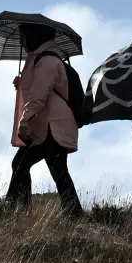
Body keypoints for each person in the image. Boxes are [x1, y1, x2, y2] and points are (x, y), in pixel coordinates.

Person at [6, 24, 84, 219]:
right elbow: (40, 92)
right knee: (56, 170)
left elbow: (39, 97)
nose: (21, 42)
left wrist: (23, 123)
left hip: (51, 126)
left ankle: (17, 208)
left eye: (23, 37)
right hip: (52, 125)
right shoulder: (45, 59)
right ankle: (73, 214)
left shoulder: (46, 61)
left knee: (23, 164)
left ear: (35, 37)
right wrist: (23, 84)